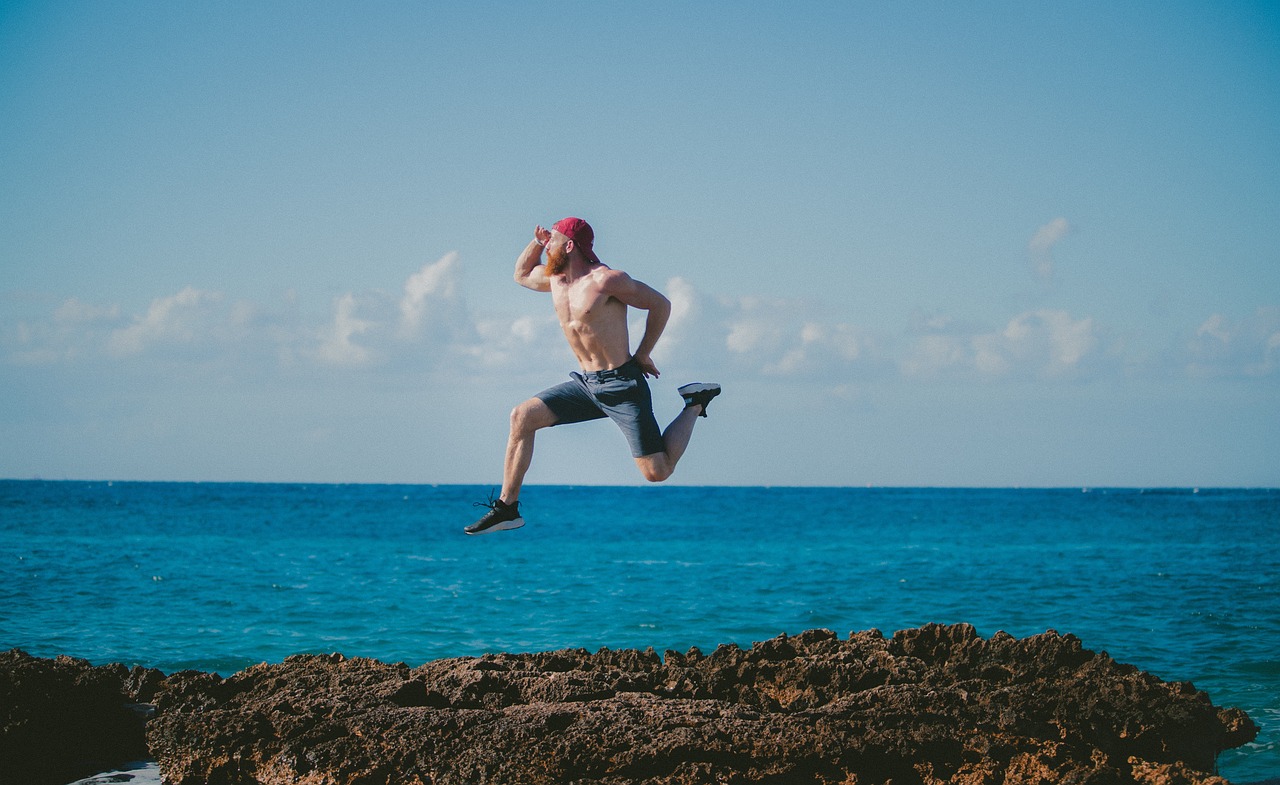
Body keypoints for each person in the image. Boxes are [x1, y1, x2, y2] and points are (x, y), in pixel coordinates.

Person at [466, 217, 721, 535]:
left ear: (569, 246)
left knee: (657, 472)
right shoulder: (557, 280)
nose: (548, 249)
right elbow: (520, 275)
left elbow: (660, 305)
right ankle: (507, 509)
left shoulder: (607, 280)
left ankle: (695, 403)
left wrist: (643, 353)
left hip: (623, 384)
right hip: (586, 385)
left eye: (553, 243)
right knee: (522, 416)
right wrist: (537, 241)